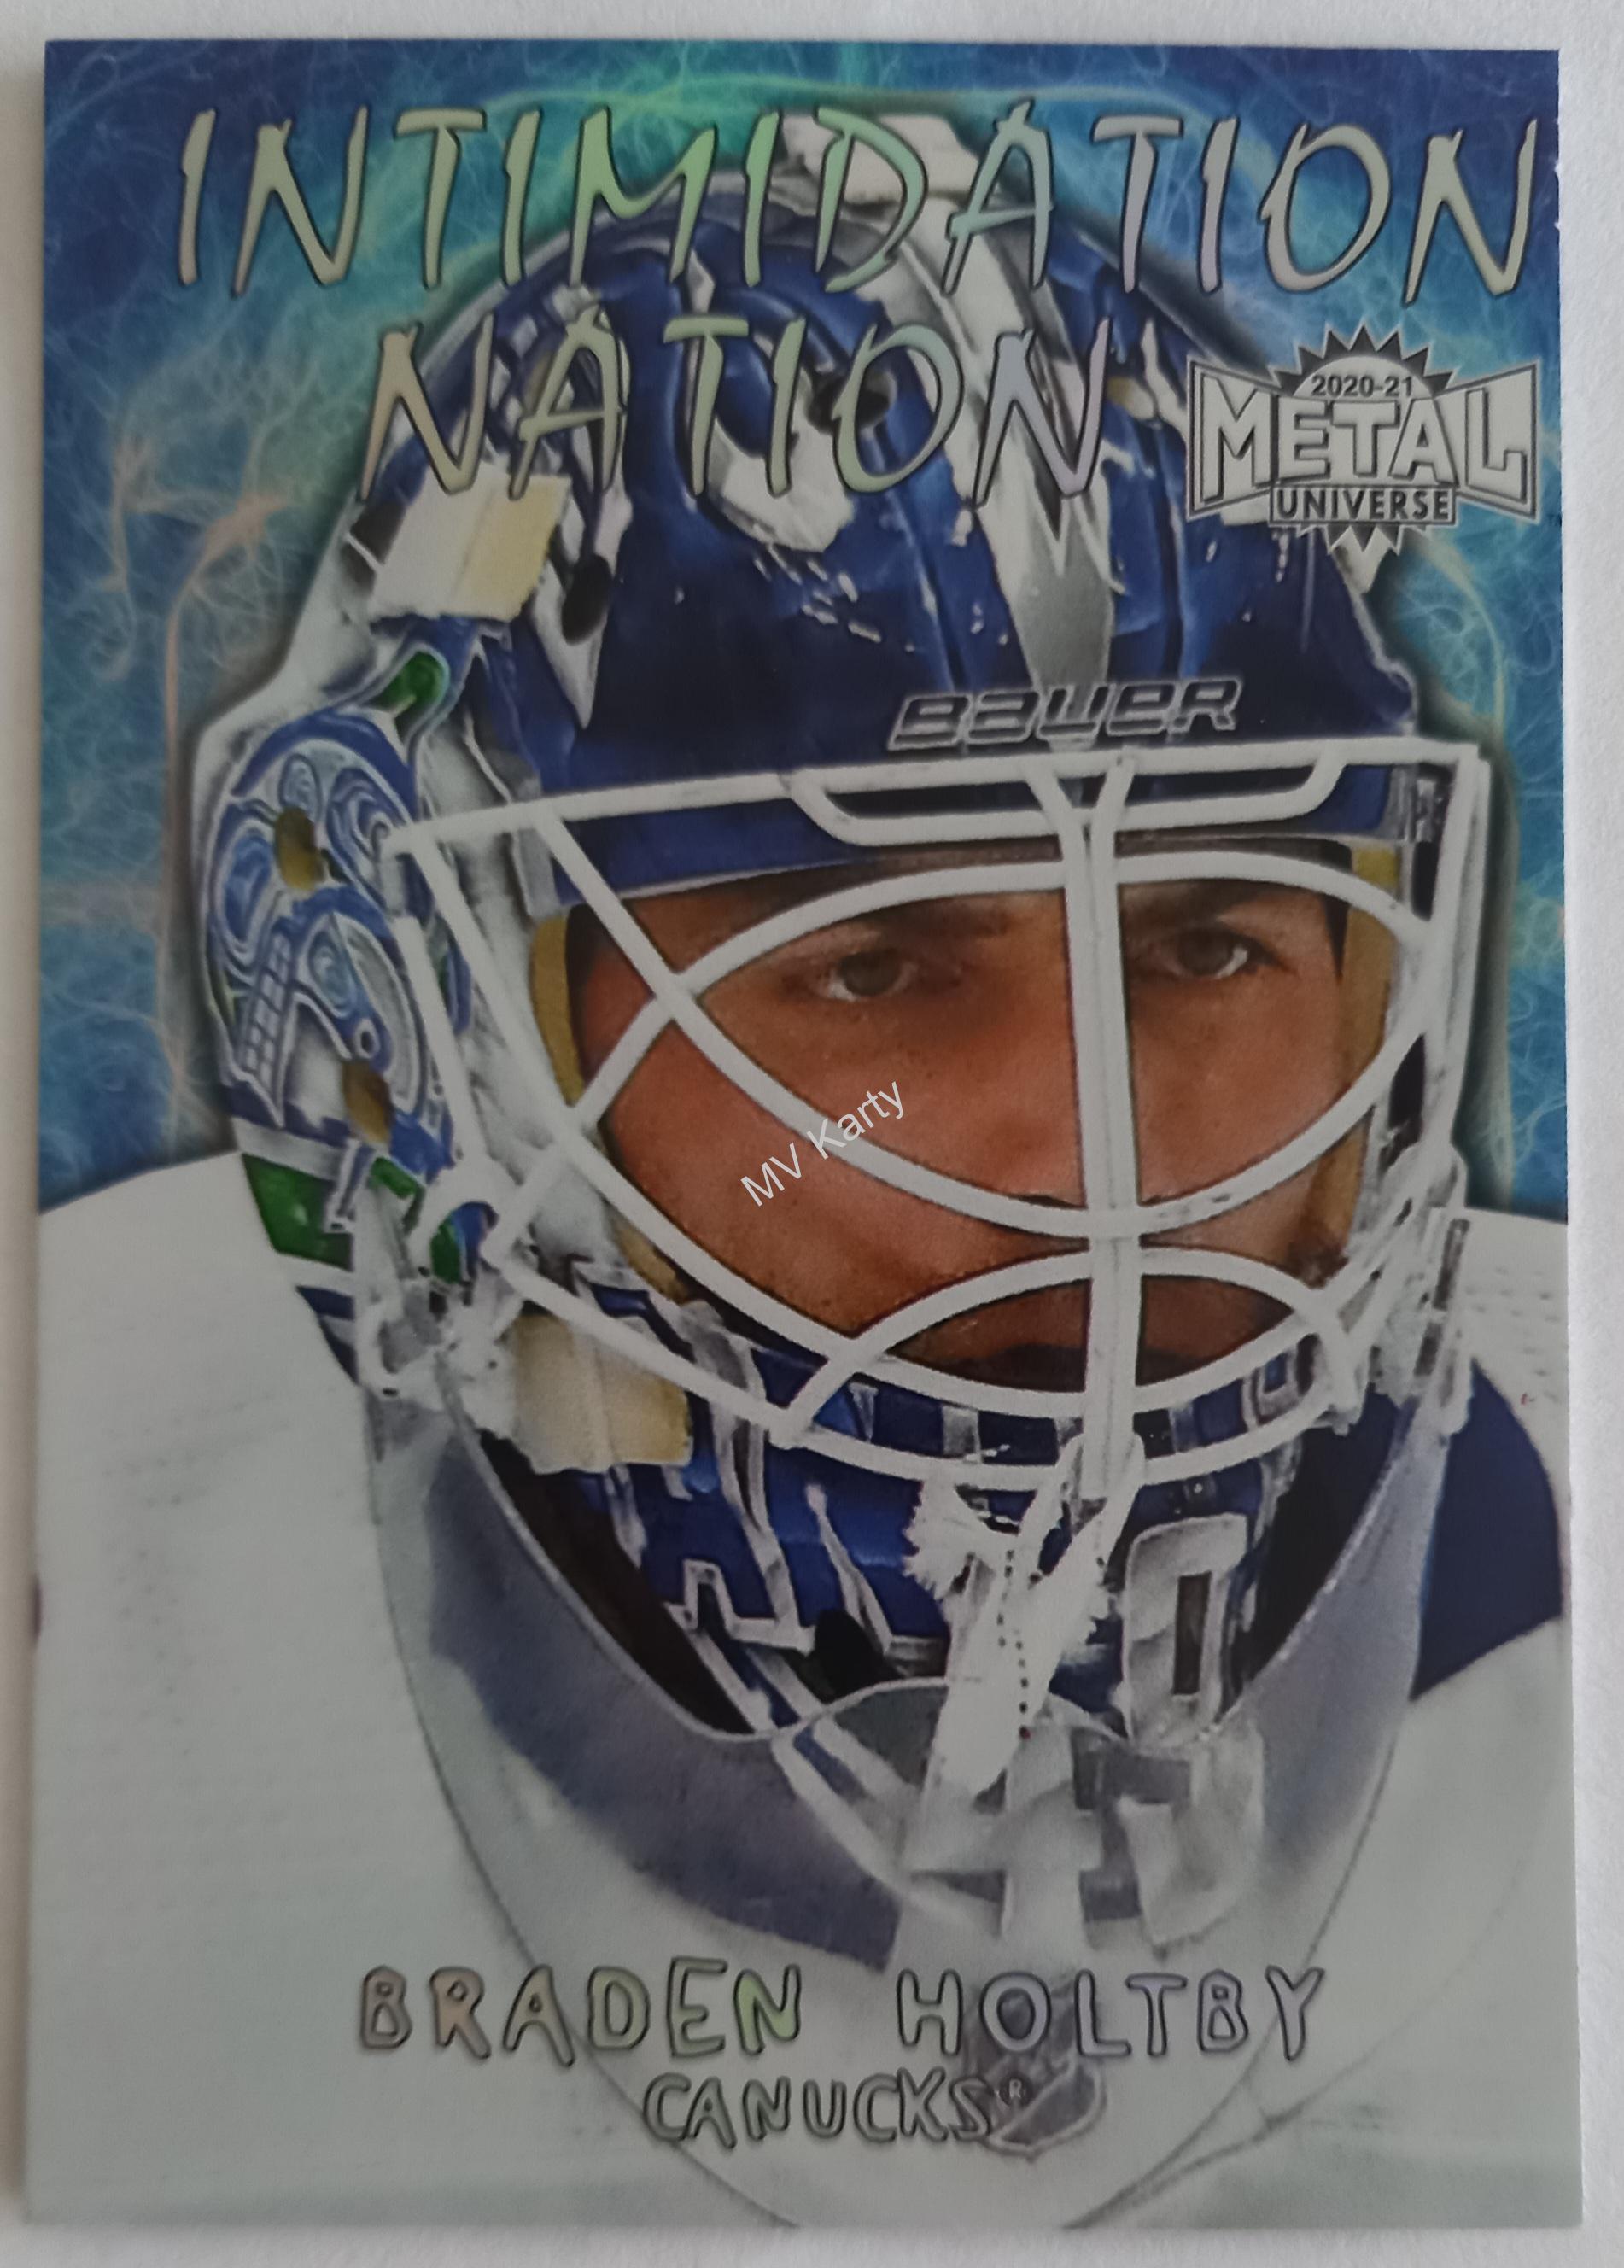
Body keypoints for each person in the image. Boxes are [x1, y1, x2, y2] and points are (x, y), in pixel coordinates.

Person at [30, 126, 1574, 2227]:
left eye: (1209, 943)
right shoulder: (85, 1570)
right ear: (435, 1051)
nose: (1094, 1162)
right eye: (868, 966)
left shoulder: (1554, 1561)